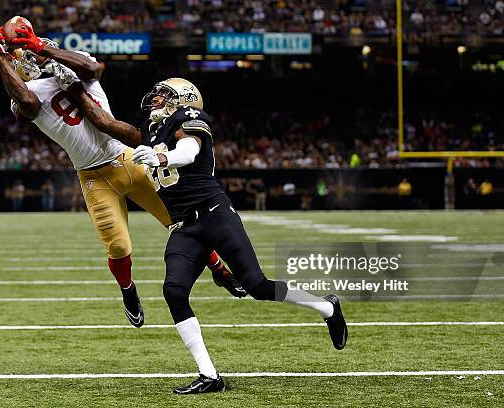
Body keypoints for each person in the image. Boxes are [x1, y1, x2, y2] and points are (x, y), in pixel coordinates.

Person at [61, 76, 348, 394]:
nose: (155, 99)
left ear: (181, 99)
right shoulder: (153, 129)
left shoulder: (190, 118)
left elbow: (188, 150)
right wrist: (75, 92)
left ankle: (327, 308)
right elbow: (107, 124)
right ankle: (210, 375)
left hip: (214, 213)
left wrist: (161, 157)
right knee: (173, 290)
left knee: (258, 285)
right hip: (185, 226)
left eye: (163, 95)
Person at [0, 20, 244, 328]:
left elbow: (93, 69)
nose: (27, 58)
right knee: (119, 246)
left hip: (127, 158)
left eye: (28, 48)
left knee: (182, 221)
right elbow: (27, 105)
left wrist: (44, 49)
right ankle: (128, 290)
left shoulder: (70, 60)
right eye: (21, 52)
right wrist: (0, 56)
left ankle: (220, 270)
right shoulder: (25, 91)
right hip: (92, 176)